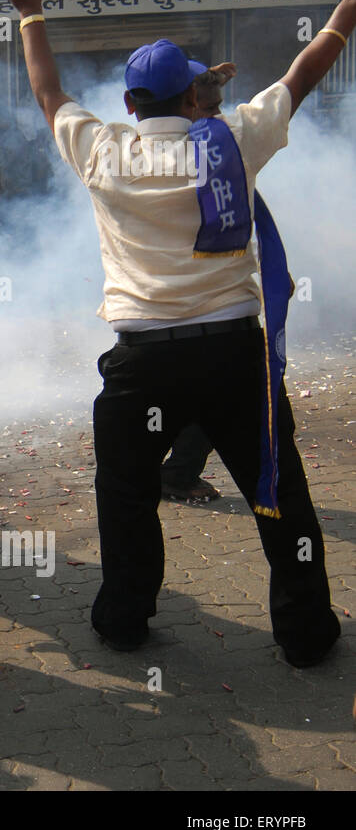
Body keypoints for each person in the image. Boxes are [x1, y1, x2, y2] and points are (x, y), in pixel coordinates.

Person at [2, 0, 350, 666]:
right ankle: (307, 631)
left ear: (129, 106)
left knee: (127, 497)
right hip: (232, 355)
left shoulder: (104, 152)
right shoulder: (232, 142)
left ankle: (125, 619)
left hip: (142, 366)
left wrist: (32, 13)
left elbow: (47, 93)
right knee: (278, 488)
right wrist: (346, 13)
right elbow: (300, 76)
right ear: (192, 100)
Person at [161, 65, 237, 506]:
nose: (217, 117)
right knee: (220, 395)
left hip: (203, 307)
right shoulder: (180, 155)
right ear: (187, 105)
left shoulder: (209, 143)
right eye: (208, 107)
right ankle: (176, 471)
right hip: (195, 307)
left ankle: (174, 469)